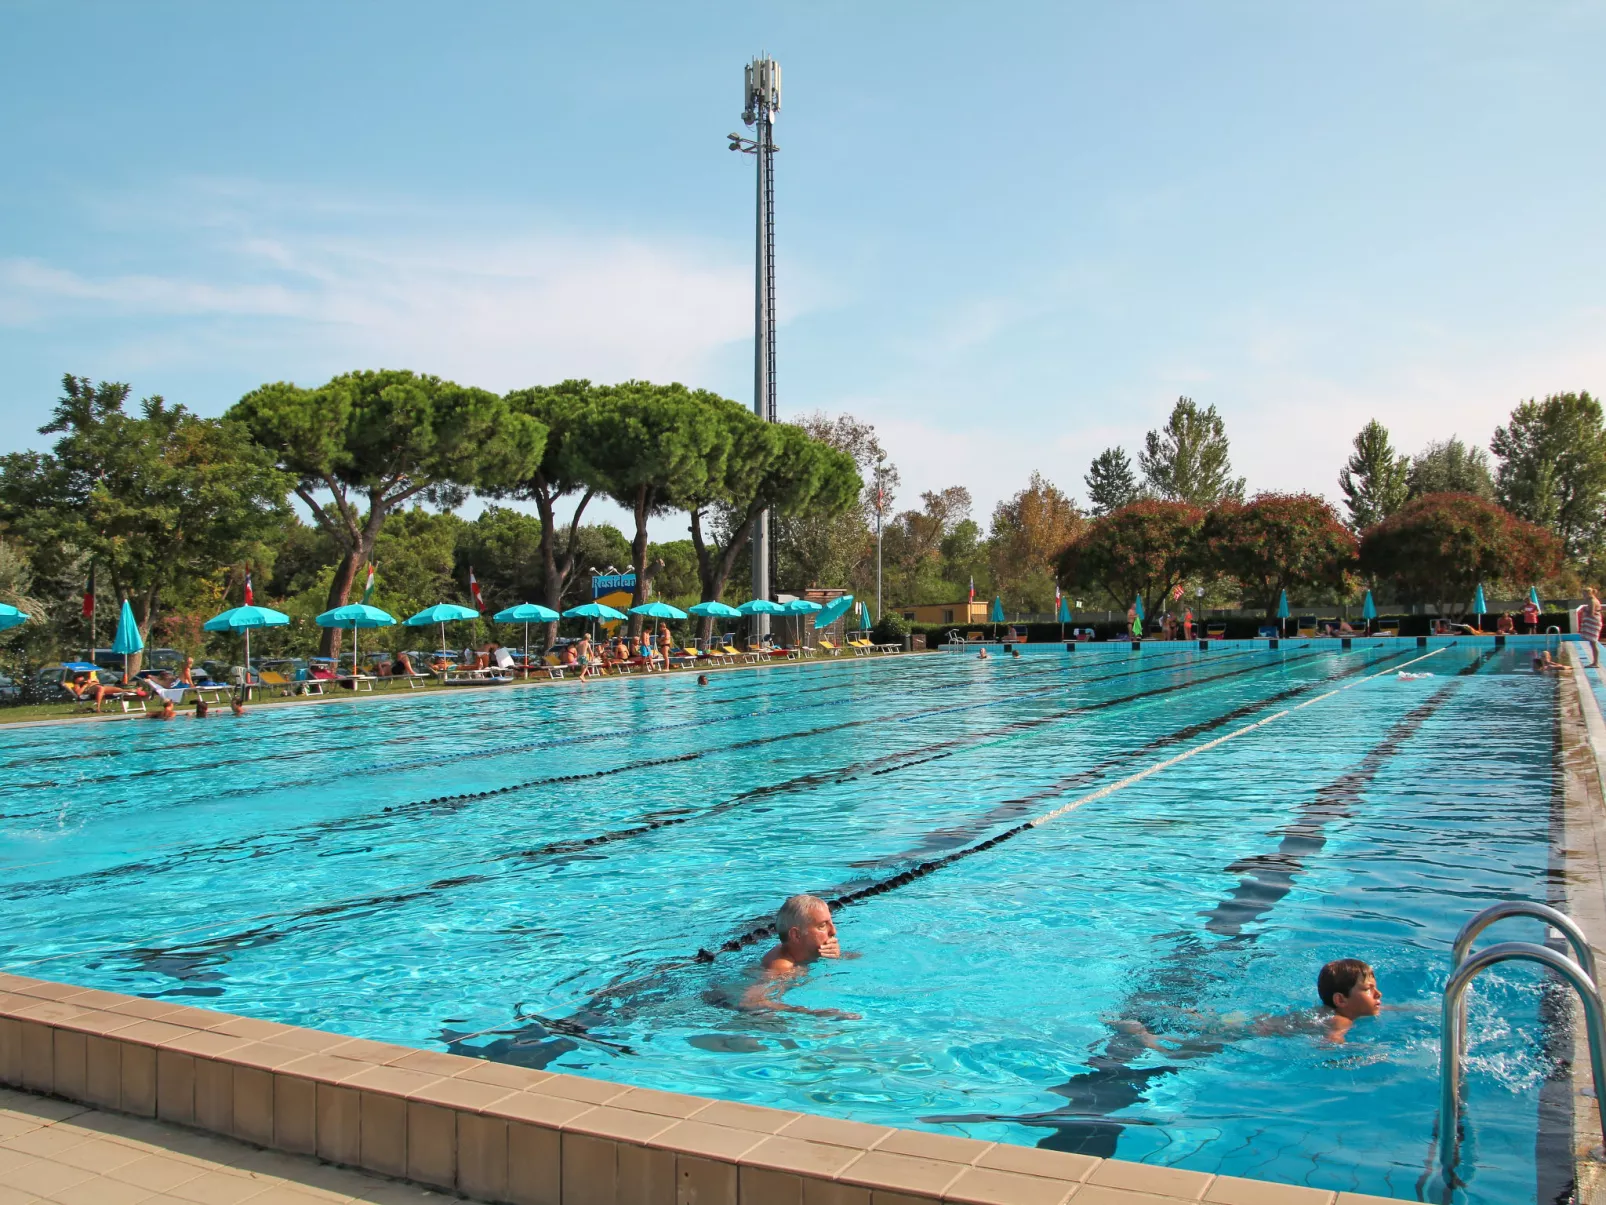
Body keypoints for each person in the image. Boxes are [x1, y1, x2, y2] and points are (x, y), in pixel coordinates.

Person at [741, 895, 858, 1019]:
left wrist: (838, 956)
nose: (833, 931)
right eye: (822, 926)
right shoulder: (782, 966)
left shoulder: (801, 952)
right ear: (796, 935)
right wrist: (813, 1013)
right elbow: (750, 1002)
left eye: (831, 922)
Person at [1580, 587, 1602, 668]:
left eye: (1584, 594)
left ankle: (1595, 663)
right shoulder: (1592, 600)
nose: (1583, 595)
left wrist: (1585, 610)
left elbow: (1591, 613)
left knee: (1593, 643)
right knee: (1592, 643)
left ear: (1588, 593)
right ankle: (1595, 662)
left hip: (1593, 623)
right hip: (1593, 623)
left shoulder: (1592, 601)